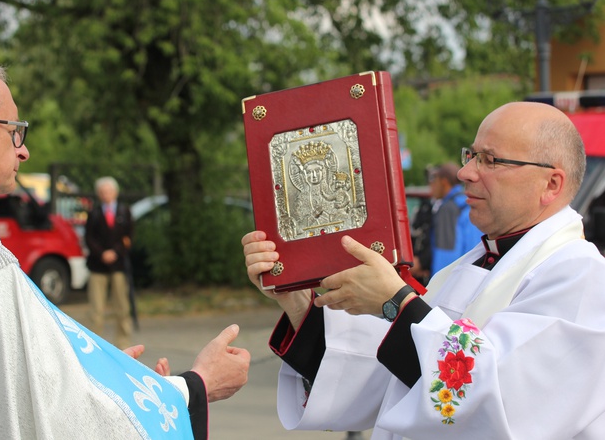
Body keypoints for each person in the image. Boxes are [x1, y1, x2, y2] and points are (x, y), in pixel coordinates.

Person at [0, 50, 250, 440]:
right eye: (13, 131)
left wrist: (105, 379)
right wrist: (194, 386)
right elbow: (75, 422)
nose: (23, 149)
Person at [242, 101, 605, 439]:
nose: (466, 172)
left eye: (490, 161)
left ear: (551, 184)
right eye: (471, 155)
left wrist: (396, 303)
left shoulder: (580, 276)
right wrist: (301, 305)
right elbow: (384, 379)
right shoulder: (468, 266)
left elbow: (496, 398)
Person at [85, 176, 135, 349]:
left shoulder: (124, 211)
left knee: (122, 306)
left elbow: (128, 237)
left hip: (118, 265)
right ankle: (95, 344)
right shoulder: (94, 213)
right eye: (102, 192)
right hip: (98, 266)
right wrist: (102, 254)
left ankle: (123, 343)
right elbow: (89, 238)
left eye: (109, 191)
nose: (106, 194)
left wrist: (116, 252)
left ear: (115, 192)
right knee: (96, 309)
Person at [427, 162, 483, 276]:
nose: (432, 185)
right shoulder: (469, 202)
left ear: (444, 181)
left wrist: (436, 286)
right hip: (476, 271)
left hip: (455, 277)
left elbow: (446, 254)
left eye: (435, 180)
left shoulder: (448, 209)